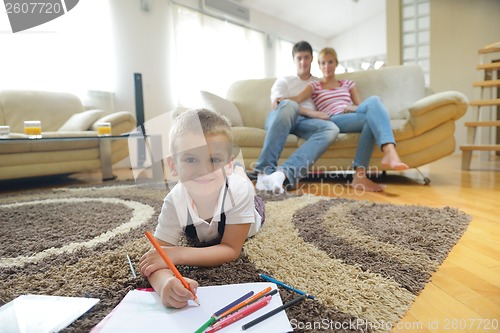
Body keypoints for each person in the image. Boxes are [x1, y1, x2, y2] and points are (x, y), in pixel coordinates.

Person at [139, 108, 265, 308]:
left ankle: (242, 176)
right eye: (191, 159)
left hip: (249, 207)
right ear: (173, 165)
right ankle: (235, 171)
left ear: (228, 162)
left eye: (214, 160)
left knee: (248, 190)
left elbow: (230, 249)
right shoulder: (174, 201)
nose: (204, 170)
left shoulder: (239, 193)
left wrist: (178, 253)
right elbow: (156, 257)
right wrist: (165, 284)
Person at [287, 47, 409, 192]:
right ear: (319, 66)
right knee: (375, 102)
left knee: (373, 108)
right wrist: (281, 99)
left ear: (336, 63)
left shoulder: (347, 84)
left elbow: (361, 105)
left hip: (352, 114)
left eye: (330, 62)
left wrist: (353, 107)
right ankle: (389, 151)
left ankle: (360, 177)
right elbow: (297, 99)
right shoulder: (315, 86)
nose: (327, 66)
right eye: (323, 63)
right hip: (334, 119)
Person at [254, 41, 339, 194]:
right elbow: (279, 104)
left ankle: (282, 174)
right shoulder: (284, 81)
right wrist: (311, 113)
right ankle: (263, 172)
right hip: (281, 118)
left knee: (331, 128)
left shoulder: (317, 83)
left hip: (304, 123)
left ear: (312, 59)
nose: (303, 62)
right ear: (294, 60)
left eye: (306, 57)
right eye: (299, 58)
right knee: (290, 105)